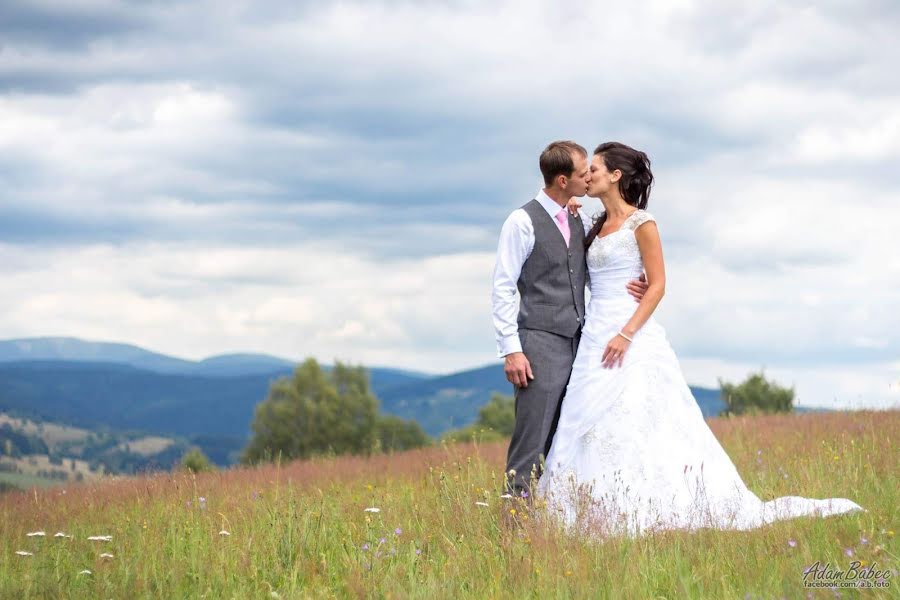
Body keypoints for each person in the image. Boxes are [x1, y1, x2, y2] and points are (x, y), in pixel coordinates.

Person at [536, 141, 865, 537]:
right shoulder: (591, 224)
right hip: (595, 335)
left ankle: (650, 507)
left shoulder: (643, 223)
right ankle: (581, 509)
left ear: (616, 176)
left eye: (595, 170)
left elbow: (657, 286)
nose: (587, 177)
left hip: (629, 333)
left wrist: (626, 333)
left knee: (642, 416)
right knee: (586, 420)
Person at [491, 140, 648, 497]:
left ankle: (558, 514)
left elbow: (583, 272)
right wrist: (511, 350)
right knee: (532, 438)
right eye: (582, 173)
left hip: (581, 342)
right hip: (539, 343)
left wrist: (632, 283)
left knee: (568, 437)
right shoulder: (521, 221)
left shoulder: (575, 217)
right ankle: (515, 524)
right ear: (563, 181)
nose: (588, 178)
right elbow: (502, 287)